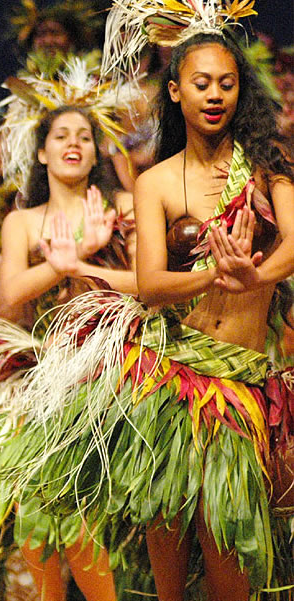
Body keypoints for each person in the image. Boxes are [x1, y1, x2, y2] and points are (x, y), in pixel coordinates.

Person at [0, 56, 138, 601]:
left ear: (96, 150)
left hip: (119, 368)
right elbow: (11, 292)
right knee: (43, 513)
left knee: (90, 515)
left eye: (84, 135)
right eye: (61, 135)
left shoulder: (125, 206)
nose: (73, 143)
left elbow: (148, 284)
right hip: (48, 374)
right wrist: (60, 263)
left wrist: (83, 264)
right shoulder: (23, 222)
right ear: (41, 152)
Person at [96, 0, 294, 596]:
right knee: (170, 553)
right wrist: (214, 276)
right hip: (171, 382)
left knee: (225, 544)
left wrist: (254, 278)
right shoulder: (154, 180)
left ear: (242, 92)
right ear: (176, 92)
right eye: (202, 83)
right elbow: (152, 284)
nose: (215, 95)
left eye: (227, 84)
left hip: (240, 386)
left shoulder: (267, 169)